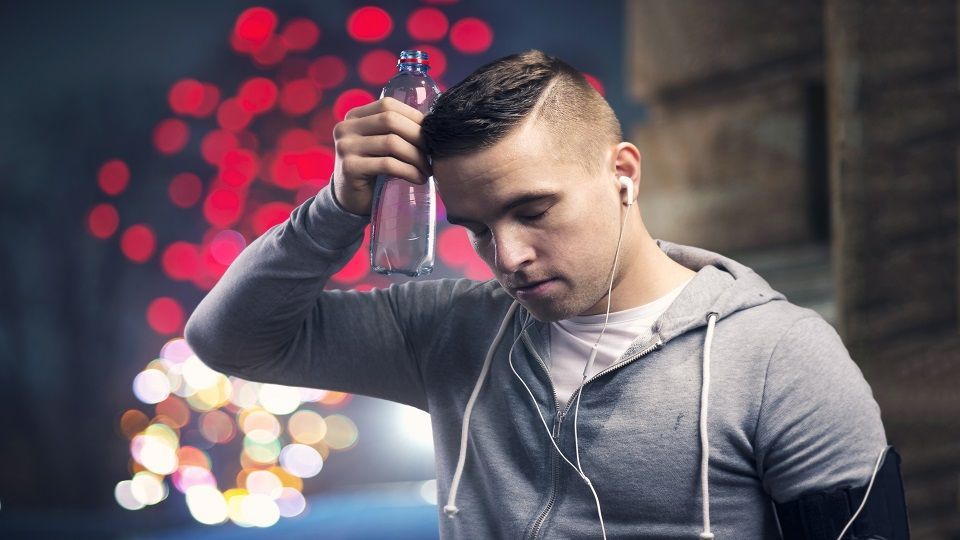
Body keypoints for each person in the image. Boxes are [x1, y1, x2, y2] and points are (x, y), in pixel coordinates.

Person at [184, 50, 907, 539]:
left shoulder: (780, 355)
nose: (508, 257)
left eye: (533, 211)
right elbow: (229, 339)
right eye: (476, 228)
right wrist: (338, 207)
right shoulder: (450, 331)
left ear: (623, 171)